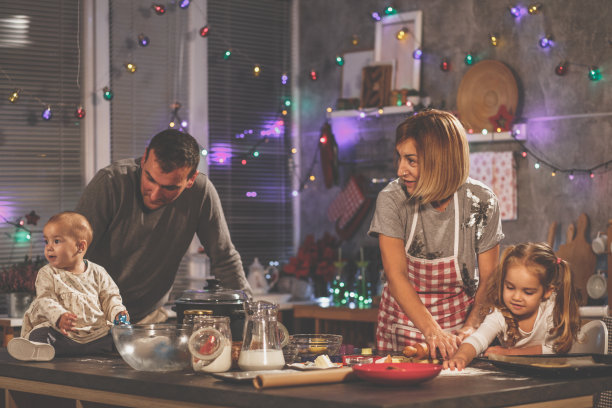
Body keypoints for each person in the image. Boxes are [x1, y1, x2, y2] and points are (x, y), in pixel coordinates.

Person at [75, 129, 251, 323]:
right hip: (92, 315)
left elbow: (225, 258)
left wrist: (250, 317)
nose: (155, 194)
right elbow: (71, 254)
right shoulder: (110, 183)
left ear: (191, 179)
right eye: (150, 179)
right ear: (144, 159)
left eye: (170, 187)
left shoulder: (201, 192)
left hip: (146, 318)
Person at [368, 109, 504, 359]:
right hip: (403, 329)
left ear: (439, 161)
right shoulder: (392, 200)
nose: (401, 170)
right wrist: (432, 333)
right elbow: (396, 276)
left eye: (411, 161)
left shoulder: (482, 202)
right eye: (400, 158)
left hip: (458, 332)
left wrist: (472, 327)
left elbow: (489, 279)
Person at [7, 212, 129, 361]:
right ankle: (37, 349)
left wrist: (117, 312)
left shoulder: (98, 272)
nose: (49, 247)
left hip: (95, 334)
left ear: (80, 246)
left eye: (56, 241)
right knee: (41, 334)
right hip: (62, 335)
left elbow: (110, 297)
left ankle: (131, 346)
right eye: (47, 241)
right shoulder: (48, 273)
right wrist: (59, 317)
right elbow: (45, 300)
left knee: (117, 335)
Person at [444, 242, 581, 370]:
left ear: (546, 292)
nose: (516, 297)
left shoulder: (552, 309)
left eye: (528, 292)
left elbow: (554, 351)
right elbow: (479, 338)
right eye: (510, 287)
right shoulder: (499, 312)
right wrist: (461, 357)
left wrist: (509, 353)